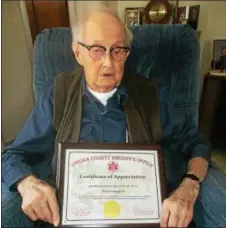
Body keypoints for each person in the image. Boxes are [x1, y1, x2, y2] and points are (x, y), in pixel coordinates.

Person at [2, 7, 226, 228]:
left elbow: (196, 143)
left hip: (140, 217)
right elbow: (13, 155)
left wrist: (190, 186)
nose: (108, 62)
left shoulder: (150, 95)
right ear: (77, 52)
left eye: (118, 50)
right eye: (97, 49)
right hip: (74, 218)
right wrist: (27, 184)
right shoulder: (57, 97)